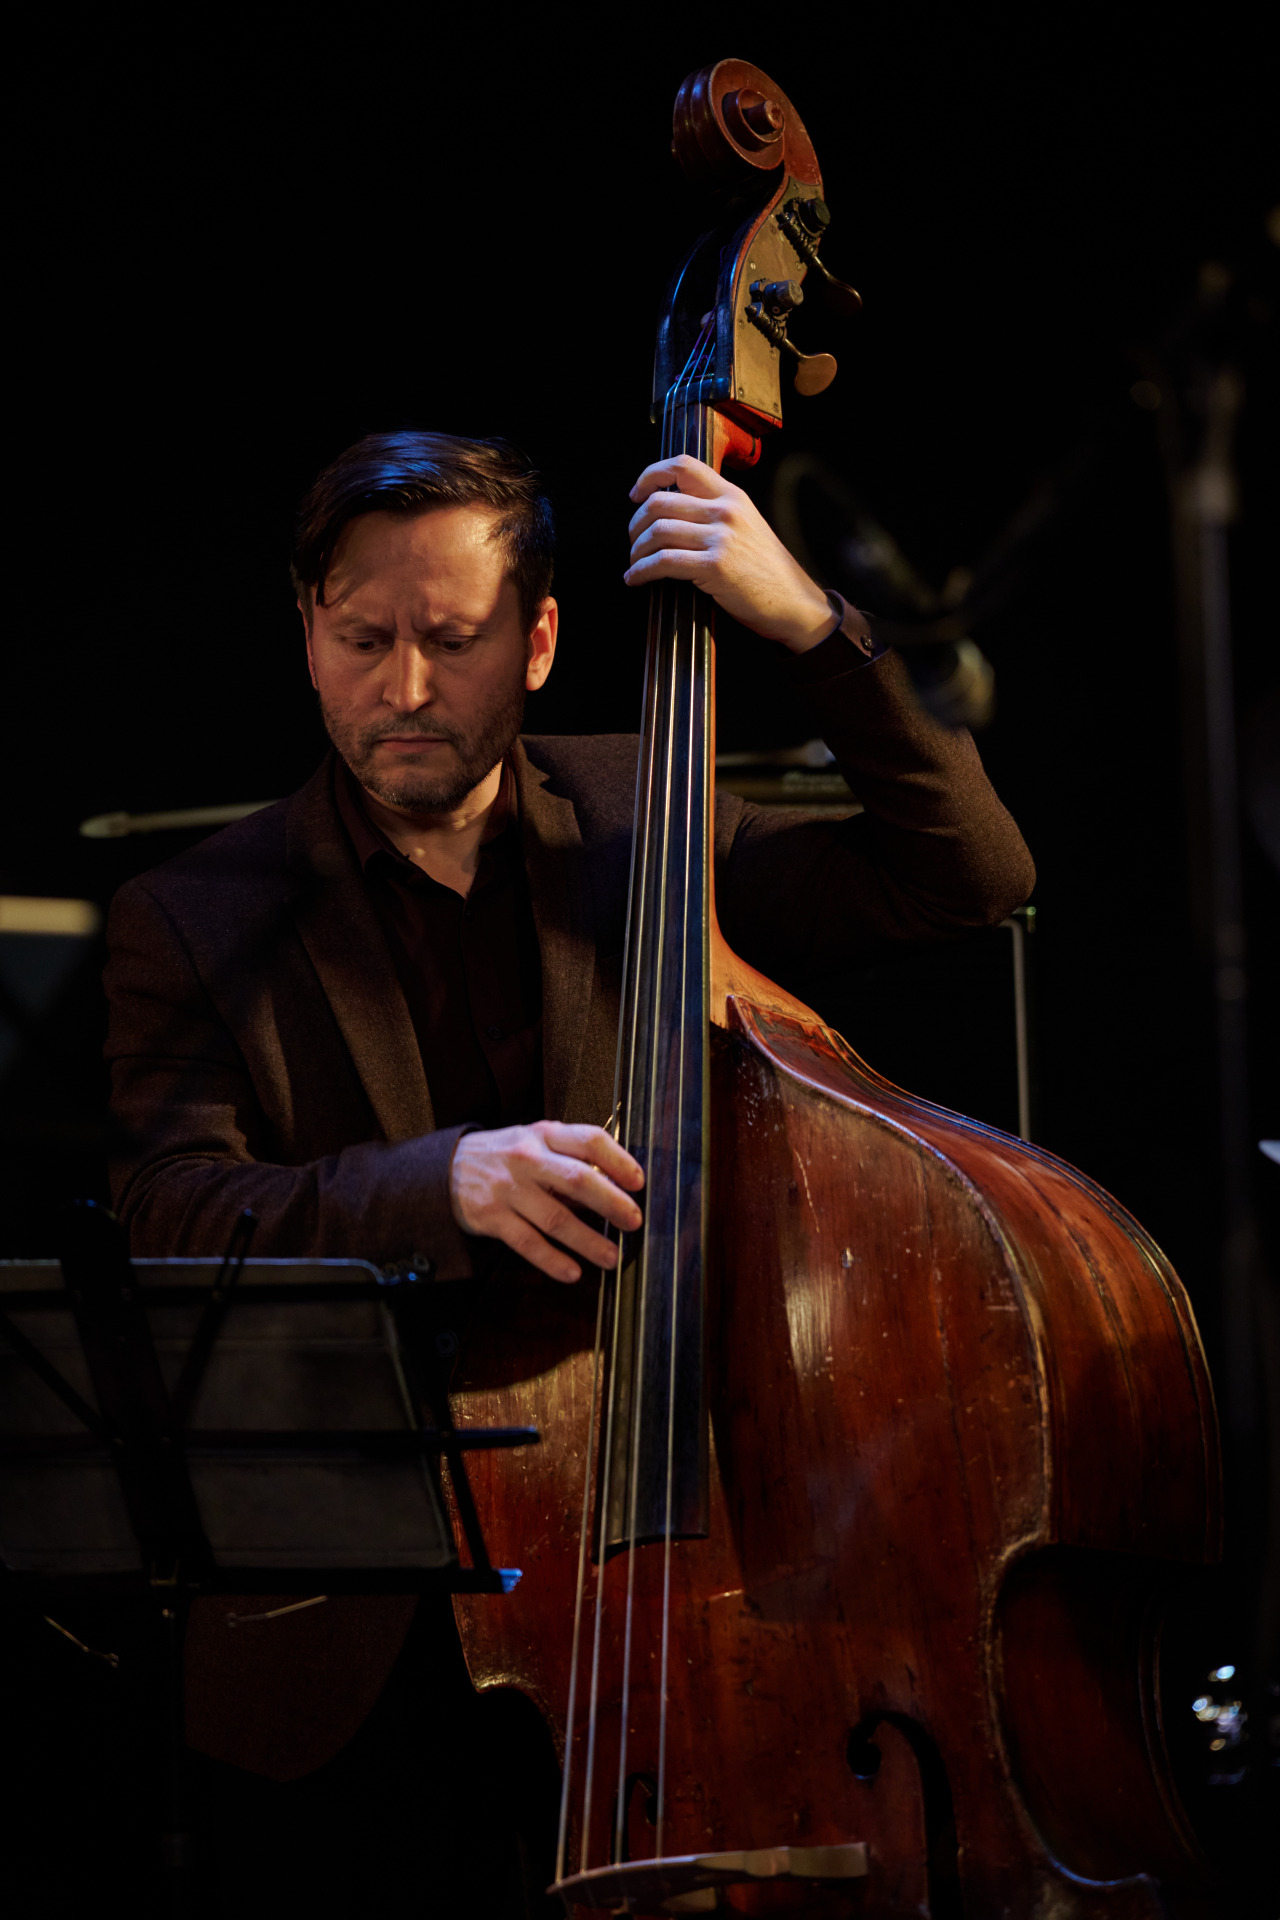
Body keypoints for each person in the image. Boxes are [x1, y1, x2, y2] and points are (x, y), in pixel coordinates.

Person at [102, 430, 1034, 1914]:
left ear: (537, 642)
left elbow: (972, 877)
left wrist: (807, 624)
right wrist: (437, 1180)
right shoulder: (191, 911)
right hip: (362, 1647)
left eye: (452, 640)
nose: (403, 688)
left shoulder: (641, 810)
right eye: (363, 638)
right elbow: (168, 1217)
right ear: (307, 633)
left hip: (681, 1579)